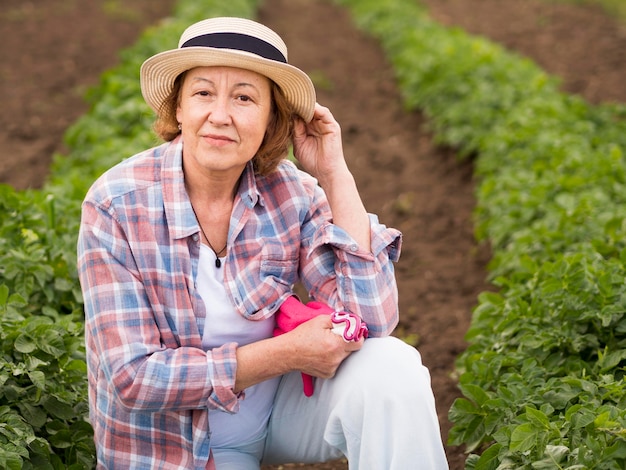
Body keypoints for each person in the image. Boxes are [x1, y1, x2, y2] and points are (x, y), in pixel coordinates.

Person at [77, 16, 449, 469]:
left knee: (393, 367)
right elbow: (132, 378)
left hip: (275, 415)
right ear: (177, 109)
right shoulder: (117, 204)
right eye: (203, 93)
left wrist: (334, 174)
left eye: (244, 98)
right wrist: (286, 353)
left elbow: (371, 319)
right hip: (172, 448)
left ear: (271, 118)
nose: (220, 115)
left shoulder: (289, 192)